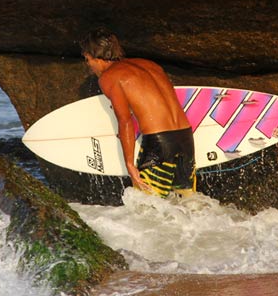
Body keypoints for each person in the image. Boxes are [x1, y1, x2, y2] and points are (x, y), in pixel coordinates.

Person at [80, 28, 196, 197]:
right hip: (186, 138)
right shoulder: (150, 65)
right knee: (188, 201)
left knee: (148, 206)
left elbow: (125, 121)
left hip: (159, 144)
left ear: (96, 57)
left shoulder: (109, 77)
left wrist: (130, 165)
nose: (89, 65)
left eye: (87, 59)